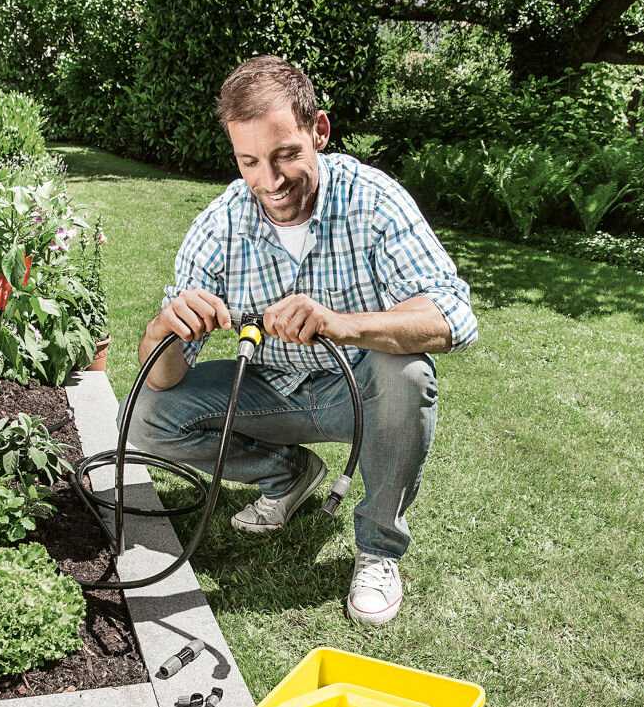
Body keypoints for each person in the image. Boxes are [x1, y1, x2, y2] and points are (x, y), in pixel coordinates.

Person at [125, 56, 477, 625]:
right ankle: (287, 475)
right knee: (143, 414)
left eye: (286, 153)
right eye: (250, 162)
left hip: (360, 392)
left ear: (320, 131)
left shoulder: (373, 200)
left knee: (407, 373)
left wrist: (345, 323)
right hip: (269, 391)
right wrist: (165, 326)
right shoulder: (219, 227)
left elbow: (452, 316)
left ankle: (379, 549)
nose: (270, 181)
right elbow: (162, 377)